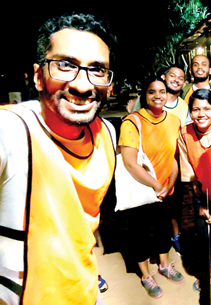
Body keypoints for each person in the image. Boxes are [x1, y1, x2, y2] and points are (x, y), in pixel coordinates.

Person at [0, 13, 116, 305]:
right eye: (65, 65)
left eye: (97, 69)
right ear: (38, 76)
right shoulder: (12, 131)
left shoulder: (107, 135)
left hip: (86, 290)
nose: (82, 85)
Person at [118, 77, 184, 299]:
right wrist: (156, 185)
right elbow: (129, 162)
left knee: (164, 229)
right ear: (144, 96)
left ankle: (164, 265)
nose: (158, 96)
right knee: (139, 236)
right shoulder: (132, 121)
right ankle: (146, 275)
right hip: (142, 190)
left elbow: (175, 155)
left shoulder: (174, 120)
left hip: (166, 188)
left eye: (162, 91)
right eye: (152, 92)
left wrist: (170, 183)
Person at [177, 88, 211, 303]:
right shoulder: (184, 133)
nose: (201, 114)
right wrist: (202, 205)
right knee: (204, 237)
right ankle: (207, 278)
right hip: (202, 196)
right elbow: (189, 175)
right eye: (196, 109)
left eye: (207, 109)